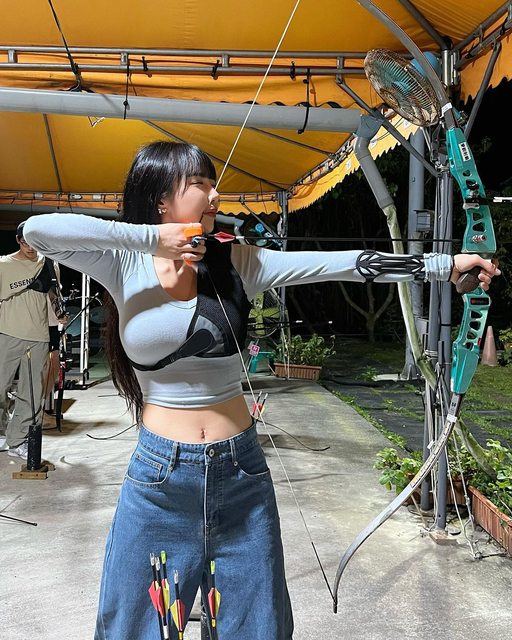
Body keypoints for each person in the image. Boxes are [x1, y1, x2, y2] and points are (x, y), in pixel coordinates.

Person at [22, 141, 500, 640]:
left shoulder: (238, 261)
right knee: (133, 625)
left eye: (214, 184)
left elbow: (342, 264)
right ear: (161, 199)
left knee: (258, 626)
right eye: (200, 184)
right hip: (160, 478)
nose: (215, 195)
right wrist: (152, 239)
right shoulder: (123, 262)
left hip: (241, 473)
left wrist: (444, 266)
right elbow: (36, 231)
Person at [0, 223, 52, 460]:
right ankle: (2, 431)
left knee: (32, 393)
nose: (30, 248)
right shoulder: (4, 265)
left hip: (38, 336)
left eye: (34, 243)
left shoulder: (48, 263)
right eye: (25, 242)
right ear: (18, 240)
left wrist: (58, 312)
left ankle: (18, 440)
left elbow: (52, 293)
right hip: (7, 333)